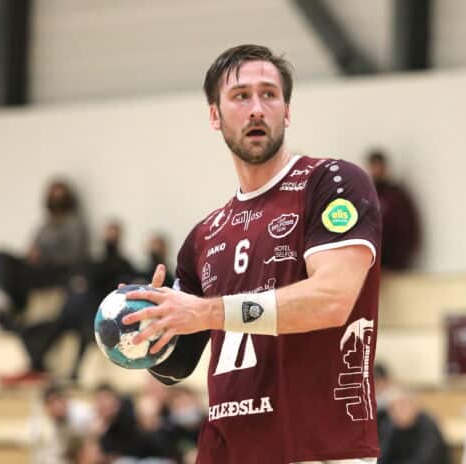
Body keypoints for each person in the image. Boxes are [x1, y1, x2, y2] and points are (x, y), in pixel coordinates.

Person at [122, 44, 382, 463]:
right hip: (228, 451)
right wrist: (147, 331)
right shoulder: (204, 235)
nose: (257, 109)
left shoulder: (331, 182)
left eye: (269, 95)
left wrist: (206, 312)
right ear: (215, 115)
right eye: (241, 96)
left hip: (318, 449)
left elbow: (332, 300)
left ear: (287, 111)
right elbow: (176, 366)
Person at [0, 221, 135, 386]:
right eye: (108, 232)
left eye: (113, 233)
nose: (110, 237)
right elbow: (77, 278)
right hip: (72, 315)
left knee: (86, 326)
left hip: (97, 315)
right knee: (41, 329)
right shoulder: (93, 261)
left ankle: (72, 372)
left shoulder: (123, 264)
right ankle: (36, 365)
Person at [0, 179, 89, 330]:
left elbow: (75, 256)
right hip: (37, 269)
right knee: (3, 257)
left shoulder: (75, 225)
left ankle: (7, 315)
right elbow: (32, 249)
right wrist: (32, 255)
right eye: (53, 196)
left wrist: (45, 256)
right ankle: (0, 304)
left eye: (60, 197)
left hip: (58, 271)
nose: (56, 201)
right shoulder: (44, 225)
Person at [366, 150, 421, 270]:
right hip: (373, 262)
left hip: (396, 262)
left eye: (379, 166)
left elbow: (407, 226)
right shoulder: (365, 194)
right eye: (374, 166)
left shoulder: (396, 195)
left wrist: (403, 257)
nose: (377, 170)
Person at [377, 389, 450, 464]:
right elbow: (381, 457)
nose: (401, 411)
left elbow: (426, 459)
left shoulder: (428, 426)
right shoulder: (388, 426)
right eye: (396, 407)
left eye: (405, 406)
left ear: (416, 407)